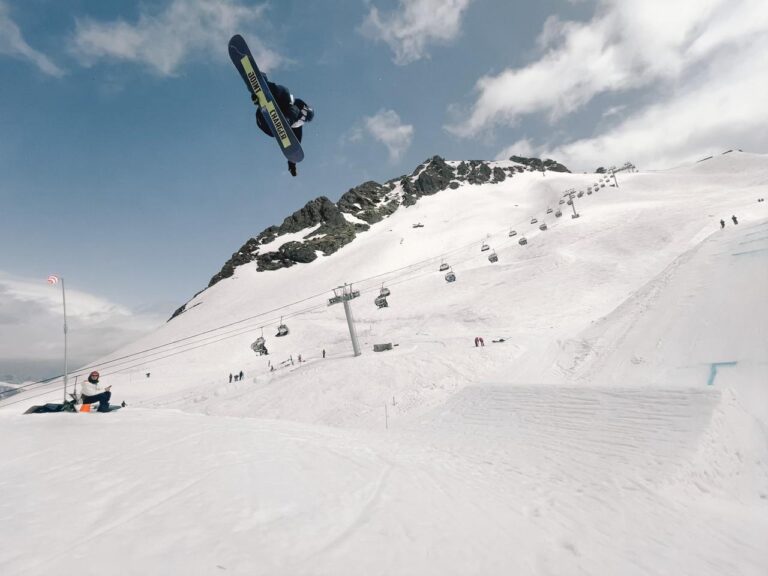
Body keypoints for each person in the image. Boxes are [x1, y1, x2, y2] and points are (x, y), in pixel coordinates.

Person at [251, 76, 314, 177]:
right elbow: (284, 95)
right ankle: (263, 85)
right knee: (286, 93)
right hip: (265, 114)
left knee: (290, 109)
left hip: (267, 125)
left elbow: (294, 147)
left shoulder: (297, 128)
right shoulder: (295, 106)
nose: (302, 121)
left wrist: (292, 165)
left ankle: (279, 120)